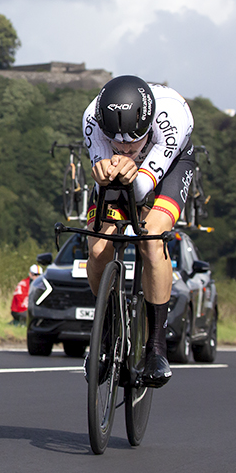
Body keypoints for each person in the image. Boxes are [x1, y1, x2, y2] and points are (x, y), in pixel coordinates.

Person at [83, 75, 195, 388]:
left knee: (150, 237)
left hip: (170, 165)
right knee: (97, 246)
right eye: (116, 139)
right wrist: (103, 173)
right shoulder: (92, 119)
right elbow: (106, 183)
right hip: (125, 174)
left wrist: (131, 170)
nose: (124, 145)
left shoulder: (171, 116)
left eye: (133, 138)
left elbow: (143, 186)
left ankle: (156, 346)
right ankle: (104, 332)